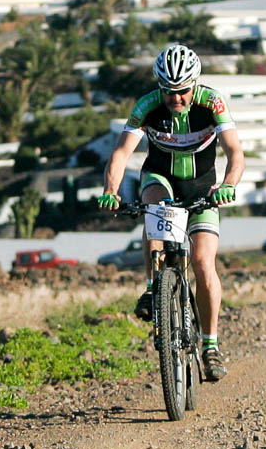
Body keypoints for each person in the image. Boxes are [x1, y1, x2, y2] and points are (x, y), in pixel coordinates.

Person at [97, 43, 246, 383]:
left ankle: (210, 345)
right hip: (160, 178)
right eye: (168, 91)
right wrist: (110, 190)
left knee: (203, 263)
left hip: (202, 187)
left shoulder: (212, 103)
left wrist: (229, 184)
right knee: (153, 208)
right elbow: (121, 153)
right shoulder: (147, 106)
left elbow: (235, 151)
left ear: (195, 85)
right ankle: (154, 287)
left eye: (183, 91)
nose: (175, 98)